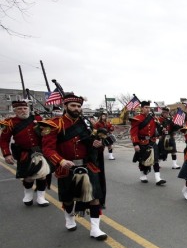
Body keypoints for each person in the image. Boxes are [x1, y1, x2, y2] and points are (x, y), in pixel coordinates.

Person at [39, 93, 108, 240]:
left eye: (78, 106)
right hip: (66, 167)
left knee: (95, 197)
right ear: (65, 106)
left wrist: (96, 144)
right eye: (73, 106)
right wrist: (60, 161)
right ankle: (70, 219)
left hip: (87, 165)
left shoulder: (87, 124)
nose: (76, 109)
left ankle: (95, 229)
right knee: (68, 198)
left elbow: (91, 143)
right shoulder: (54, 124)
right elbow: (47, 149)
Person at [0, 99, 51, 207]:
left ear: (28, 109)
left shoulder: (38, 119)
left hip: (40, 152)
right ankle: (28, 194)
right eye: (20, 109)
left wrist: (45, 130)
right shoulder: (9, 123)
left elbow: (48, 134)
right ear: (15, 110)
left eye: (25, 108)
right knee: (28, 177)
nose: (23, 110)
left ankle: (41, 197)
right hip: (24, 153)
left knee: (42, 175)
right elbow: (4, 140)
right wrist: (7, 154)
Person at [130, 100, 166, 185]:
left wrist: (161, 129)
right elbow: (133, 133)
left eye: (149, 107)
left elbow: (157, 129)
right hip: (142, 142)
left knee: (155, 159)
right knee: (143, 160)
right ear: (142, 108)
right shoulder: (137, 119)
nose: (148, 109)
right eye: (146, 107)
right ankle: (143, 175)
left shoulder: (153, 118)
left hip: (152, 141)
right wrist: (135, 144)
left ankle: (158, 178)